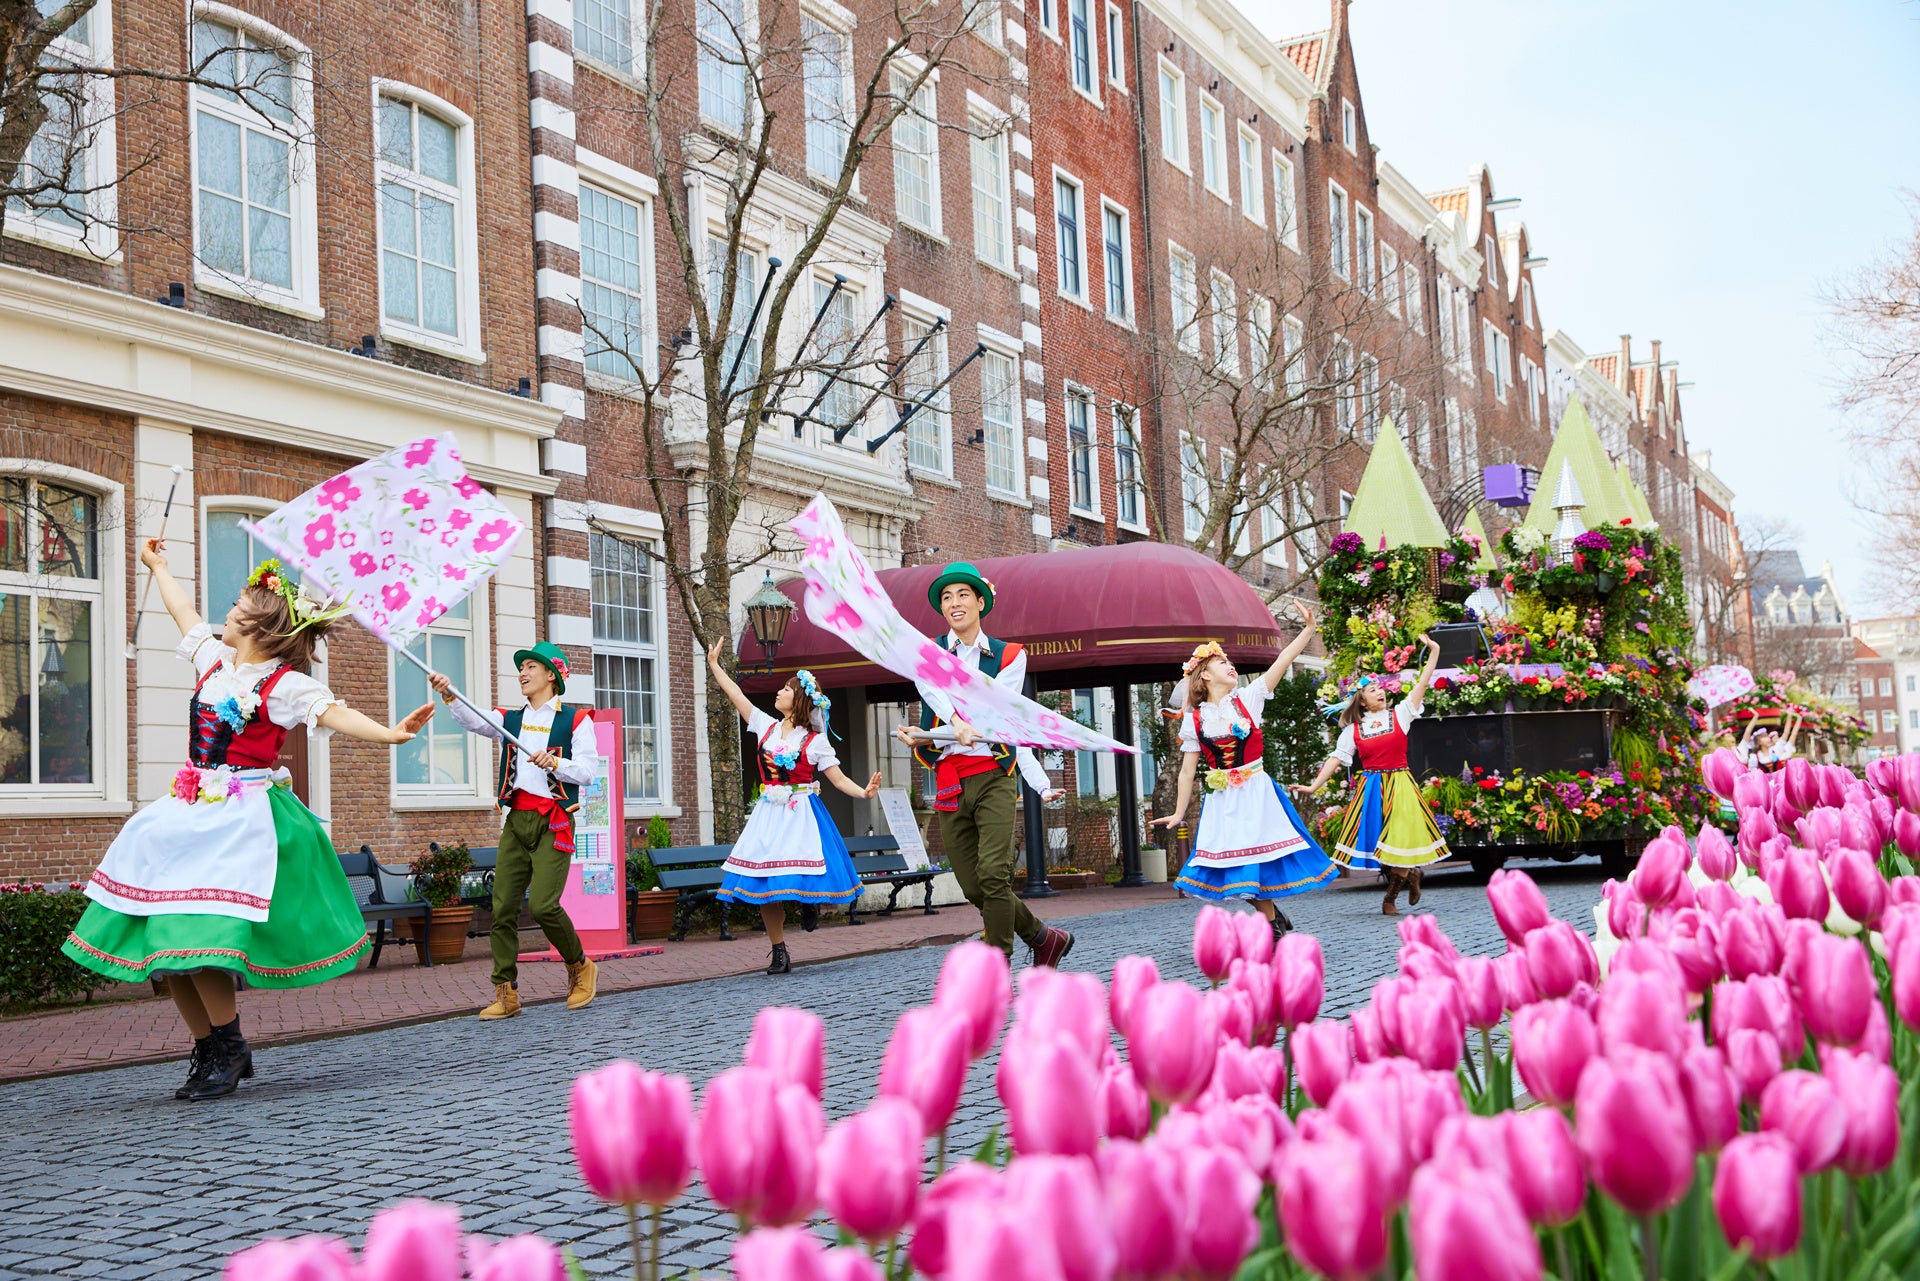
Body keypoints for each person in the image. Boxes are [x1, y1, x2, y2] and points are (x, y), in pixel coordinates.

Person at [62, 543, 434, 1101]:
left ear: (258, 625)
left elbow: (332, 714)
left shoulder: (284, 684)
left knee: (201, 941)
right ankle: (209, 1047)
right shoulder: (211, 661)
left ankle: (229, 1047)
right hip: (187, 810)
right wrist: (158, 568)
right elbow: (182, 613)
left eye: (239, 604)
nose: (227, 610)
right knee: (168, 951)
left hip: (239, 819)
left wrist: (391, 734)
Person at [894, 561, 1075, 967]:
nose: (954, 603)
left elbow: (996, 716)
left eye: (962, 595)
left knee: (995, 875)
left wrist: (1041, 784)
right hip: (949, 777)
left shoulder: (1011, 656)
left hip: (994, 776)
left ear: (980, 602)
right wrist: (933, 731)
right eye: (946, 597)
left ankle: (996, 965)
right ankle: (1043, 937)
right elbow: (933, 693)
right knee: (975, 887)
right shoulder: (929, 652)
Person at [430, 641, 601, 1021]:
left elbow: (588, 772)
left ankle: (579, 966)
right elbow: (472, 720)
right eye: (521, 667)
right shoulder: (509, 718)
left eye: (530, 667)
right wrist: (448, 694)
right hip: (516, 821)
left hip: (553, 821)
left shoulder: (575, 721)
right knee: (502, 907)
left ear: (551, 676)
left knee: (542, 905)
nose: (522, 673)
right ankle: (506, 993)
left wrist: (556, 762)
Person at [1150, 606, 1335, 938]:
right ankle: (1274, 917)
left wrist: (1308, 630)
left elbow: (1281, 662)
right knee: (1232, 868)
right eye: (1222, 663)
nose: (1230, 665)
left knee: (1258, 863)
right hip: (1222, 800)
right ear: (1204, 675)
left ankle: (1272, 929)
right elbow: (1186, 772)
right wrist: (1179, 812)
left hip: (1256, 792)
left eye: (1230, 662)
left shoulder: (1249, 699)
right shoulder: (1195, 720)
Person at [705, 643, 883, 974]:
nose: (779, 691)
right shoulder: (765, 725)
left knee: (804, 870)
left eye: (786, 688)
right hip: (768, 814)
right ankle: (779, 950)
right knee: (766, 885)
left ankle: (808, 902)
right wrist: (714, 664)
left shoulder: (816, 741)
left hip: (801, 812)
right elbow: (735, 696)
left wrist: (864, 793)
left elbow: (838, 779)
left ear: (798, 699)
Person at [1293, 634, 1449, 916]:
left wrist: (1435, 651)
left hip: (1400, 785)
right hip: (1371, 788)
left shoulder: (1401, 714)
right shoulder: (1352, 731)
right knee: (1379, 846)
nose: (1380, 691)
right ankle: (1410, 875)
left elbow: (1423, 682)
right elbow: (1336, 759)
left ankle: (1389, 898)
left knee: (1398, 841)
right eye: (1372, 689)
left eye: (1380, 687)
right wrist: (1313, 786)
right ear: (1362, 701)